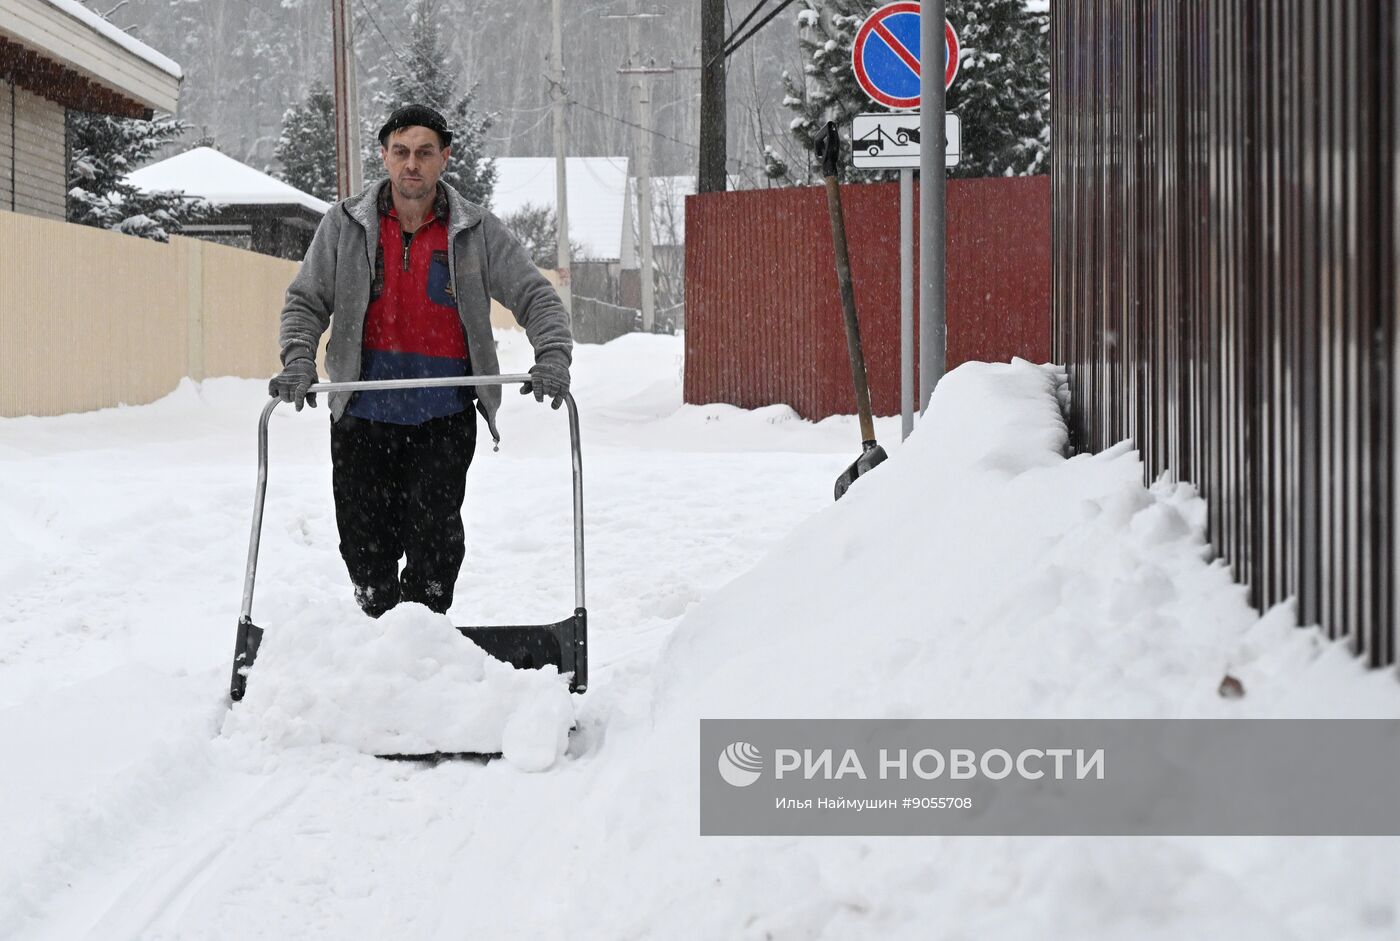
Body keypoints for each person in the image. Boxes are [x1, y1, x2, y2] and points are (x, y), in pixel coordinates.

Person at [269, 103, 573, 618]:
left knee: (434, 549)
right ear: (385, 157)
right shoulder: (344, 226)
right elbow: (306, 300)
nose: (412, 164)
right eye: (402, 152)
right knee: (364, 551)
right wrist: (299, 359)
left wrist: (553, 355)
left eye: (425, 153)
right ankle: (381, 634)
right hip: (360, 415)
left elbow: (535, 296)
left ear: (444, 158)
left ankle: (424, 643)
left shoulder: (474, 230)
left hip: (442, 420)